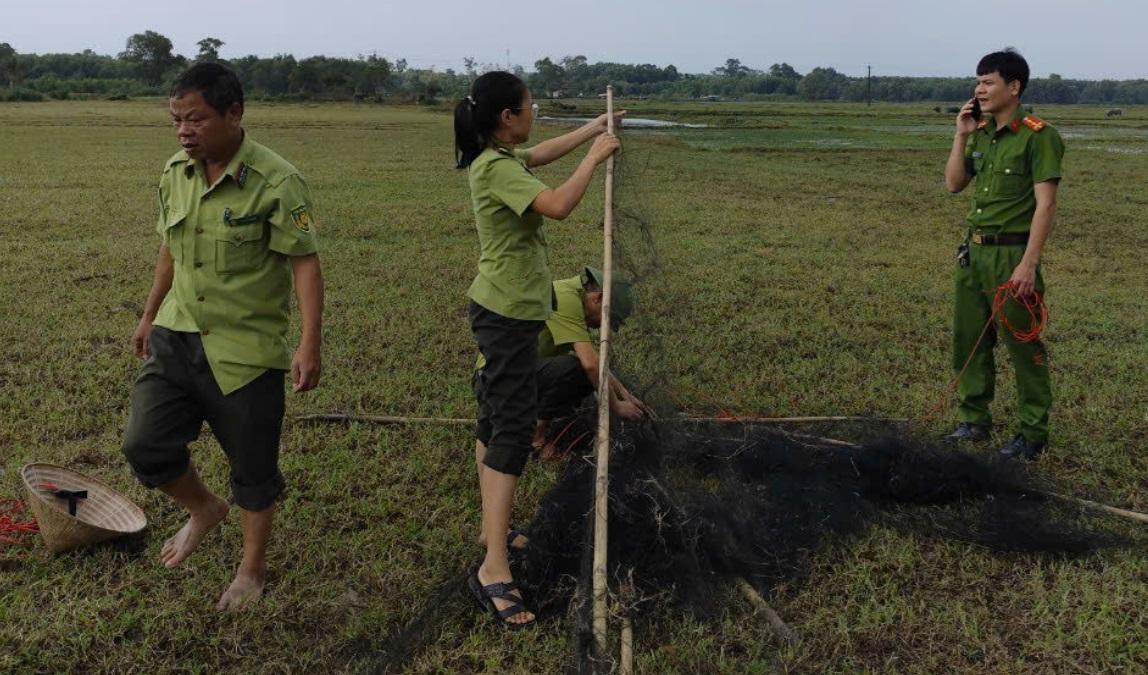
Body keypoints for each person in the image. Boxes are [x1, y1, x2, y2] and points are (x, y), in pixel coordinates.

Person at [120, 63, 324, 610]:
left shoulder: (278, 182)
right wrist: (148, 314)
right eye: (176, 120)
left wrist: (309, 343)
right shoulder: (174, 174)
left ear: (234, 114)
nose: (185, 131)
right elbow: (169, 248)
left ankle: (251, 569)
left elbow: (304, 264)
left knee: (254, 470)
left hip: (246, 348)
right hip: (177, 333)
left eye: (197, 119)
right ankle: (203, 508)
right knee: (144, 444)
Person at [455, 71, 620, 629]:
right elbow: (556, 205)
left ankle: (490, 531)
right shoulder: (496, 167)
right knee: (511, 432)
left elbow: (542, 154)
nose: (534, 116)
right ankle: (493, 567)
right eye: (530, 108)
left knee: (492, 420)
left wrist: (591, 128)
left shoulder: (501, 158)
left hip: (510, 312)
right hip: (504, 316)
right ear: (508, 117)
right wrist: (594, 158)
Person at [942, 49, 1064, 460]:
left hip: (1012, 257)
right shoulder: (979, 134)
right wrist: (960, 134)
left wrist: (1028, 264)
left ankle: (1032, 434)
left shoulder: (1038, 135)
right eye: (977, 81)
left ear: (1014, 87)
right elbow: (954, 184)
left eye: (989, 81)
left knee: (1023, 346)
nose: (980, 88)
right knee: (969, 343)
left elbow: (1045, 206)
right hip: (973, 255)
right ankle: (973, 420)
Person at [532, 266, 652, 456]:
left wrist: (624, 393)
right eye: (606, 319)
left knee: (585, 374)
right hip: (501, 379)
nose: (600, 327)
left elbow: (595, 361)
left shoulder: (573, 296)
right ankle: (535, 438)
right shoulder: (566, 299)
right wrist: (617, 406)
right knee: (577, 371)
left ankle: (537, 420)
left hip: (523, 371)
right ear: (598, 298)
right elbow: (590, 364)